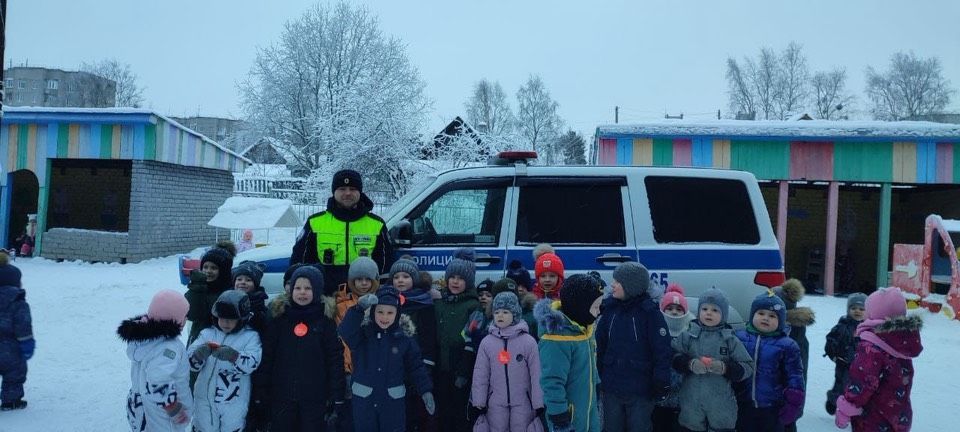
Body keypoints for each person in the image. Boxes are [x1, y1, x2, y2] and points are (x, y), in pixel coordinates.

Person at [258, 265, 345, 430]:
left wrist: (336, 393)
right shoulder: (280, 318)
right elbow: (267, 356)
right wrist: (261, 388)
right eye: (297, 287)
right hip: (281, 394)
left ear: (317, 290)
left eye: (308, 288)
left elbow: (334, 358)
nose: (302, 292)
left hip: (315, 396)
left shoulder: (325, 321)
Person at [338, 287, 436, 431]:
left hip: (392, 403)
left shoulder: (404, 339)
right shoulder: (363, 334)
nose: (385, 317)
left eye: (390, 312)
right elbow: (345, 331)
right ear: (373, 311)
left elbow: (416, 367)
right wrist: (358, 309)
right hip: (365, 402)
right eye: (380, 312)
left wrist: (425, 391)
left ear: (397, 314)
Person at [290, 169, 394, 295]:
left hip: (363, 298)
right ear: (334, 191)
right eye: (342, 189)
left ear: (360, 192)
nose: (348, 193)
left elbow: (386, 264)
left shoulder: (377, 224)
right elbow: (299, 260)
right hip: (325, 299)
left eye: (352, 189)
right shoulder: (315, 222)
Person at [595, 262, 672, 432]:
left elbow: (662, 350)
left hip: (640, 388)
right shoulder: (609, 309)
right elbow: (600, 345)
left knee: (639, 427)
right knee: (611, 427)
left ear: (631, 286)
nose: (612, 285)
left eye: (617, 281)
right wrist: (597, 374)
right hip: (612, 385)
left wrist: (661, 381)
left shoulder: (649, 313)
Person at [835, 287, 922, 432]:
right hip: (899, 416)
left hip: (872, 419)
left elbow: (862, 381)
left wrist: (846, 409)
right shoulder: (902, 341)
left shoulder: (871, 347)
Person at [671, 288, 754, 432]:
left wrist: (725, 368)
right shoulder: (688, 336)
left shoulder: (730, 340)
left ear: (724, 315)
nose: (709, 313)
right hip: (691, 401)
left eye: (715, 310)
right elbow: (674, 357)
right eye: (704, 309)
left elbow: (747, 366)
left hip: (720, 403)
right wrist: (690, 364)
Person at [535, 274, 604, 432]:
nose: (599, 311)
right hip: (568, 419)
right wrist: (559, 418)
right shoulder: (557, 339)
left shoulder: (585, 329)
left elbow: (591, 365)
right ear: (580, 307)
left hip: (588, 412)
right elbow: (552, 382)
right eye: (595, 307)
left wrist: (597, 386)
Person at [117, 290, 193, 431]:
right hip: (162, 414)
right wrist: (174, 408)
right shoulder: (168, 347)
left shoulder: (144, 340)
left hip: (141, 404)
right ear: (174, 318)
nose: (186, 319)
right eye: (184, 316)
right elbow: (158, 379)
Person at [187, 291, 262, 432]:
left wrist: (234, 356)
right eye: (222, 318)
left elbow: (252, 363)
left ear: (241, 318)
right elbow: (189, 362)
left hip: (234, 401)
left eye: (231, 319)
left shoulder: (250, 337)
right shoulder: (207, 334)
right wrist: (198, 355)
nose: (225, 322)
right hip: (204, 399)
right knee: (203, 427)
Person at [469, 292, 544, 432]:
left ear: (515, 314)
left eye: (505, 312)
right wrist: (479, 401)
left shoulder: (528, 342)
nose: (500, 315)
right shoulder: (487, 343)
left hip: (523, 402)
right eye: (496, 312)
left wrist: (538, 402)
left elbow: (536, 373)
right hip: (495, 401)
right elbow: (480, 373)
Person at [734, 291, 805, 432]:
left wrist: (793, 405)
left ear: (781, 320)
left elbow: (795, 377)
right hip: (743, 404)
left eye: (772, 316)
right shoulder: (738, 338)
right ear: (752, 315)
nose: (766, 318)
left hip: (772, 408)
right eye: (761, 313)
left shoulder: (787, 345)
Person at [332, 256, 381, 432]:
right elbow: (342, 340)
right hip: (351, 369)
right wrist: (346, 367)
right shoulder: (341, 306)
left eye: (368, 279)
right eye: (359, 279)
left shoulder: (382, 302)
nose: (363, 283)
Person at [391, 257, 439, 432]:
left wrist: (427, 363)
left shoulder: (424, 303)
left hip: (418, 366)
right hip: (393, 367)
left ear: (414, 279)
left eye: (405, 276)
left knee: (416, 411)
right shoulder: (387, 302)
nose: (401, 280)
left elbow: (428, 337)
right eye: (396, 277)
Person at [435, 248, 480, 432]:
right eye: (452, 277)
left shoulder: (473, 306)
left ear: (467, 282)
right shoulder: (439, 302)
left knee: (459, 411)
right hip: (441, 363)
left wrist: (464, 370)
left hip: (460, 363)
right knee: (442, 410)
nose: (455, 281)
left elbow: (471, 340)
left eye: (460, 279)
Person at [774, 278, 814, 432]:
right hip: (766, 405)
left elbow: (800, 376)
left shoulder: (796, 339)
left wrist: (796, 407)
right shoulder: (764, 334)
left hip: (787, 404)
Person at [652, 284, 693, 432]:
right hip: (658, 396)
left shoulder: (690, 332)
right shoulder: (656, 331)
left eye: (678, 309)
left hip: (682, 398)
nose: (674, 312)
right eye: (669, 308)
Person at [186, 241, 237, 346]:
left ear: (223, 271)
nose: (208, 271)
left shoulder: (229, 292)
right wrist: (197, 288)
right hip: (198, 338)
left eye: (213, 268)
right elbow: (191, 314)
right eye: (205, 267)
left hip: (221, 342)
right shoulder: (198, 288)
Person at [824, 293, 867, 415]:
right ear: (848, 310)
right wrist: (833, 354)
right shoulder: (842, 326)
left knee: (860, 387)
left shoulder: (868, 328)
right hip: (843, 363)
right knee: (841, 385)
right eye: (853, 308)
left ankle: (855, 408)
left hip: (862, 365)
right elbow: (830, 340)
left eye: (861, 309)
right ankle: (833, 400)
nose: (857, 311)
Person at [0, 252, 31, 411]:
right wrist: (27, 344)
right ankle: (11, 401)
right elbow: (23, 326)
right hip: (11, 351)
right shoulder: (18, 302)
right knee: (14, 374)